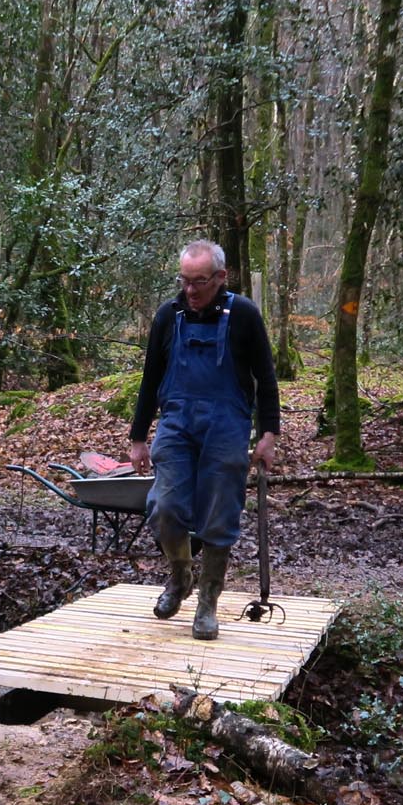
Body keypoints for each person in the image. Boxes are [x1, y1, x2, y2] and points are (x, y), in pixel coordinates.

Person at [127, 240, 282, 639]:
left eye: (200, 282)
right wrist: (138, 437)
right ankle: (180, 577)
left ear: (220, 277)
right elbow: (150, 378)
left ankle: (208, 602)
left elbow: (265, 378)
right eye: (185, 281)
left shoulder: (244, 314)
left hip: (226, 425)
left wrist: (268, 435)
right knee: (164, 508)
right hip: (176, 425)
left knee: (219, 516)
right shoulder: (169, 315)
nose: (191, 291)